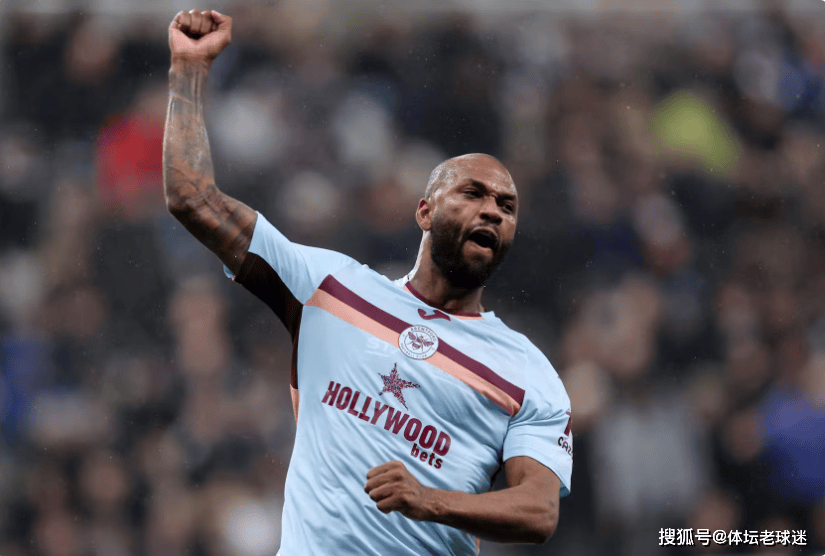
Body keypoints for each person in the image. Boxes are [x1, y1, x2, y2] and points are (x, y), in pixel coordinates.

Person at [163, 9, 573, 555]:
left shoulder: (526, 370)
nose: (493, 210)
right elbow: (192, 199)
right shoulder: (329, 288)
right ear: (425, 211)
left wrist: (429, 500)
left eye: (507, 206)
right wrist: (188, 70)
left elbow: (539, 511)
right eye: (472, 193)